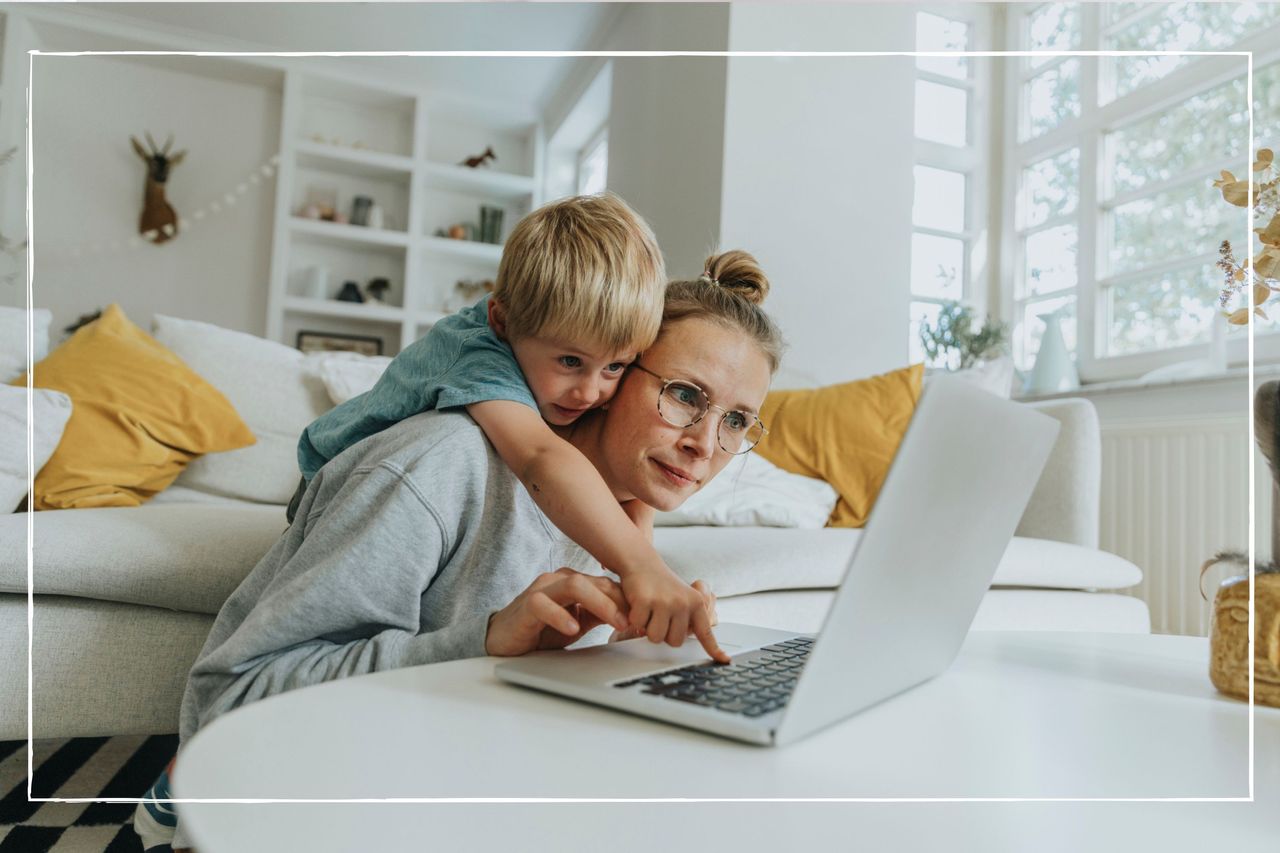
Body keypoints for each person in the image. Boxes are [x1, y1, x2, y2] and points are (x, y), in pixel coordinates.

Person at [138, 251, 783, 851]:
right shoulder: (434, 467)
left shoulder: (623, 510)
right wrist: (488, 638)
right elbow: (233, 702)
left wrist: (627, 653)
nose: (705, 443)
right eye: (686, 395)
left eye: (735, 421)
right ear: (618, 363)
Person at [291, 193, 724, 661]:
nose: (589, 392)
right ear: (501, 321)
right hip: (332, 481)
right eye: (570, 362)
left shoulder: (553, 347)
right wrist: (641, 567)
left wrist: (645, 578)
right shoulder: (480, 356)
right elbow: (540, 457)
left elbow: (630, 491)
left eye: (615, 368)